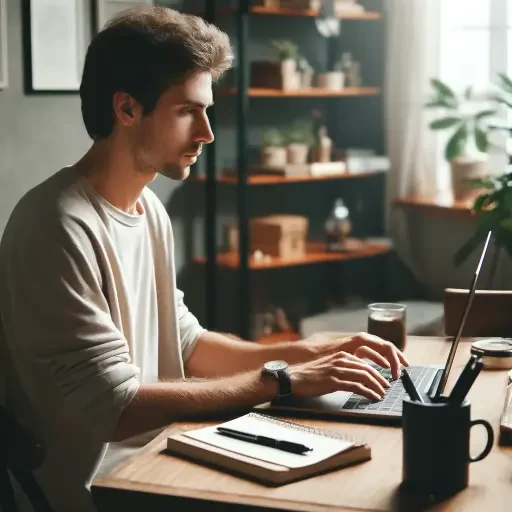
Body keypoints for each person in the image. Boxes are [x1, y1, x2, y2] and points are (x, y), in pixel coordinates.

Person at [0, 6, 408, 511]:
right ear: (127, 109)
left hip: (159, 452)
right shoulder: (57, 224)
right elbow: (113, 409)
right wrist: (279, 380)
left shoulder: (147, 208)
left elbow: (186, 342)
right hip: (98, 487)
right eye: (188, 111)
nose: (207, 133)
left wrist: (306, 353)